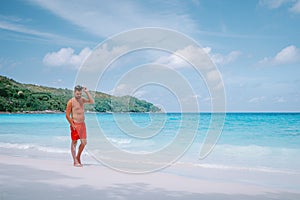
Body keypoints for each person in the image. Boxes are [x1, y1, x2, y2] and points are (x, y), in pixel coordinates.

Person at [66, 85, 94, 167]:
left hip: (82, 124)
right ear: (74, 92)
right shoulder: (71, 102)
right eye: (77, 94)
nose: (79, 95)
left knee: (84, 142)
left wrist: (87, 92)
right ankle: (75, 160)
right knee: (74, 142)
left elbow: (91, 102)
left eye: (80, 94)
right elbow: (67, 115)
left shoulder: (82, 100)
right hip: (75, 124)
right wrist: (72, 124)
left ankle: (78, 157)